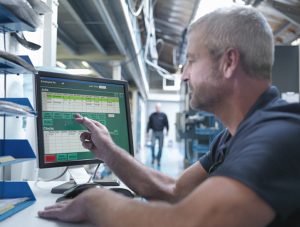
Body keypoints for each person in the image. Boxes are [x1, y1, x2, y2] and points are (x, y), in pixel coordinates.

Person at [38, 6, 300, 226]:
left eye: (191, 60)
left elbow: (186, 221)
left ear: (229, 62)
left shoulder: (279, 136)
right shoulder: (230, 138)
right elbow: (174, 191)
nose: (184, 75)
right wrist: (109, 152)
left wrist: (95, 201)